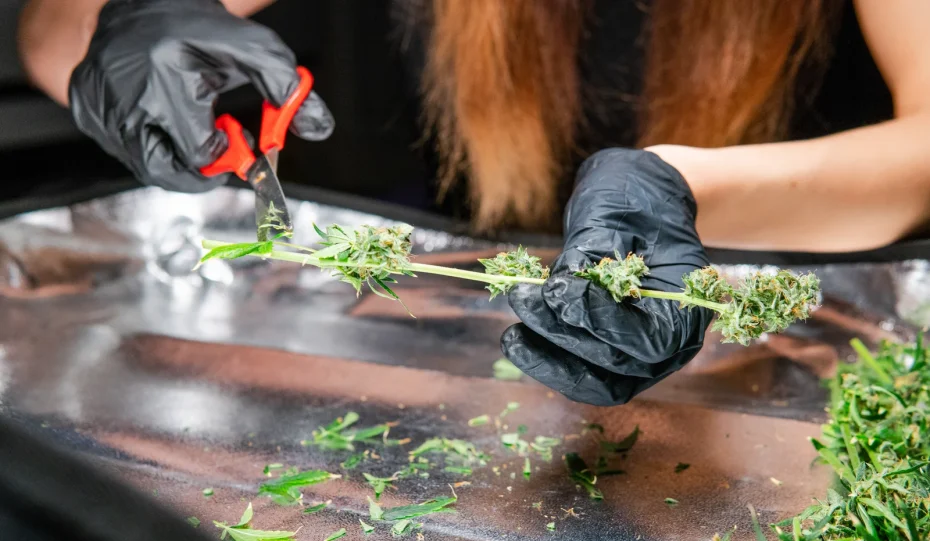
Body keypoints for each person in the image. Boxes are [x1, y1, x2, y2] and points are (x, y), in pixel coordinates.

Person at [16, 0, 930, 406]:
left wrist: (681, 192)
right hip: (420, 331)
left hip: (759, 328)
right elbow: (57, 37)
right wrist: (132, 21)